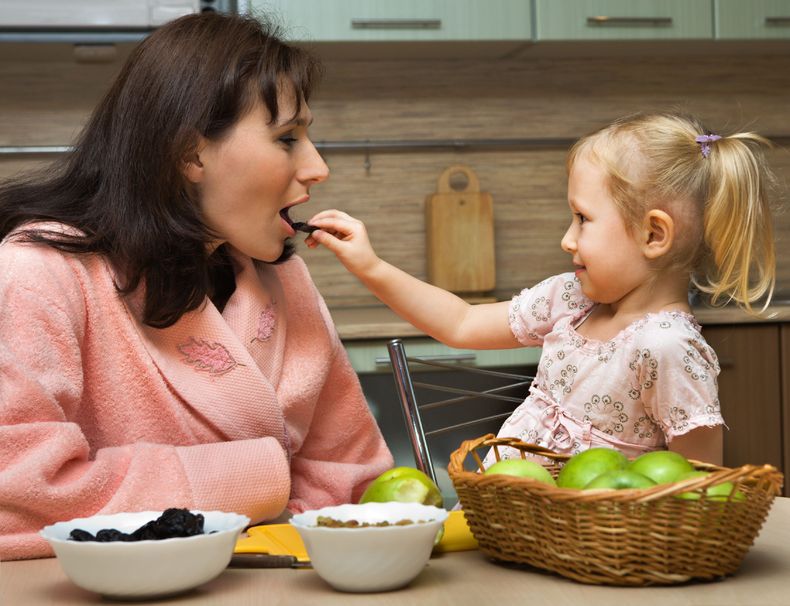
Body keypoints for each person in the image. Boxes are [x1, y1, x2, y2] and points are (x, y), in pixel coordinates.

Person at [0, 13, 393, 561]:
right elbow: (16, 493)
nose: (318, 167)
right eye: (287, 139)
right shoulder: (38, 271)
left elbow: (355, 484)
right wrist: (258, 478)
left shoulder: (285, 282)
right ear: (190, 153)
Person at [305, 112, 777, 468]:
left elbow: (698, 483)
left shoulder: (667, 347)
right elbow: (461, 322)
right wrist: (370, 265)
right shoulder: (572, 301)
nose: (567, 239)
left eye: (582, 218)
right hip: (514, 526)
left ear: (654, 235)